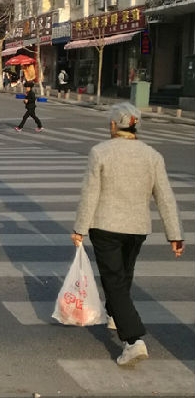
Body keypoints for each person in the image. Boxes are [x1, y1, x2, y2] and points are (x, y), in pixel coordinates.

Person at [71, 102, 184, 367]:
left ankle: (133, 340)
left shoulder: (100, 152)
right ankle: (115, 314)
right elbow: (165, 197)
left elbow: (90, 193)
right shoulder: (152, 155)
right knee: (123, 274)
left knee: (114, 280)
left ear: (113, 125)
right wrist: (175, 235)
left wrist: (80, 228)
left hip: (105, 227)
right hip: (137, 228)